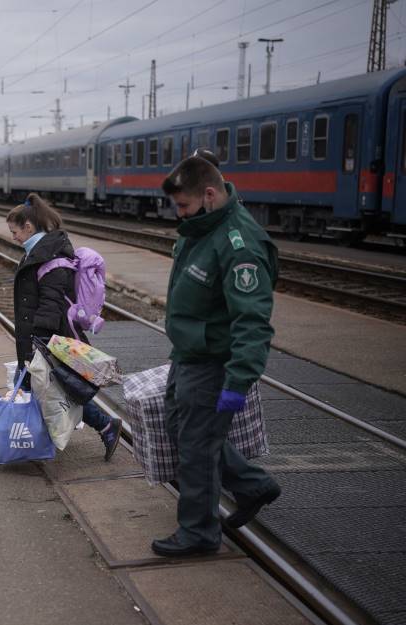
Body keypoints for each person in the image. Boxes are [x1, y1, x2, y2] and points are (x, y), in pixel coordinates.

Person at [153, 155, 281, 557]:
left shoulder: (239, 244)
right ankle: (252, 485)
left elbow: (253, 321)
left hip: (213, 362)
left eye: (184, 205)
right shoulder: (203, 228)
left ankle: (199, 533)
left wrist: (239, 380)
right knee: (182, 428)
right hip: (189, 353)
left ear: (209, 194)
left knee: (197, 445)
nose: (180, 213)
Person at [6, 193, 122, 461]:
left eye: (14, 232)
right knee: (47, 387)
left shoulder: (51, 257)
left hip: (49, 337)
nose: (13, 237)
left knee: (53, 388)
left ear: (28, 227)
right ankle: (99, 427)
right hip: (40, 336)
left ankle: (103, 426)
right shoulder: (38, 252)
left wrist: (38, 339)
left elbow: (51, 302)